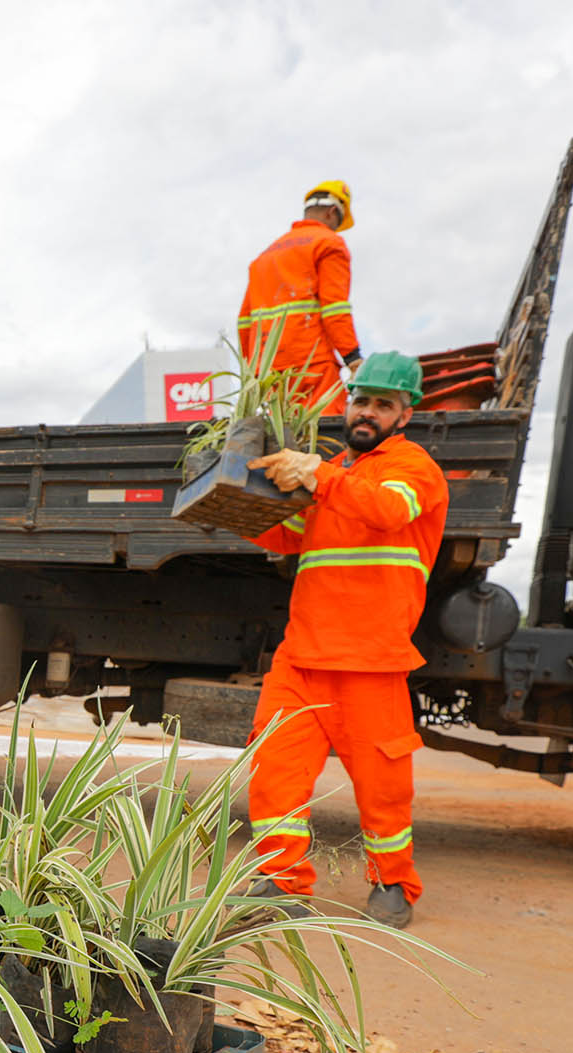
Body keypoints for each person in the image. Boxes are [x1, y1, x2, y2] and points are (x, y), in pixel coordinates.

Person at [242, 352, 445, 928]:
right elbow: (285, 537)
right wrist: (241, 491)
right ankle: (280, 882)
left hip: (373, 663)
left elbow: (384, 512)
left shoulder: (413, 469)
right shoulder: (335, 477)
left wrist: (318, 474)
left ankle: (393, 885)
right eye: (361, 400)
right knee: (275, 776)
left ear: (406, 414)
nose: (368, 412)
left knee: (384, 790)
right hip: (301, 660)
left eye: (384, 404)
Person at [237, 182, 362, 416]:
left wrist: (252, 372)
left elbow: (245, 322)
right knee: (326, 438)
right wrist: (352, 357)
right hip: (312, 365)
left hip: (269, 369)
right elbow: (335, 308)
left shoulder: (265, 256)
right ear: (332, 212)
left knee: (281, 439)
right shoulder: (328, 243)